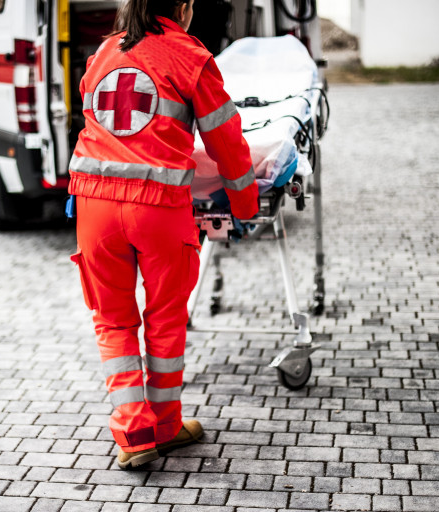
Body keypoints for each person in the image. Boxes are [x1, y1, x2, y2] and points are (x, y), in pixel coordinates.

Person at [68, 0, 259, 470]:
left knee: (113, 320)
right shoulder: (191, 57)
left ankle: (135, 433)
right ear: (184, 7)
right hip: (157, 211)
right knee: (165, 319)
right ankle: (167, 426)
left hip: (94, 207)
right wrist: (245, 205)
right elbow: (226, 140)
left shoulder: (103, 54)